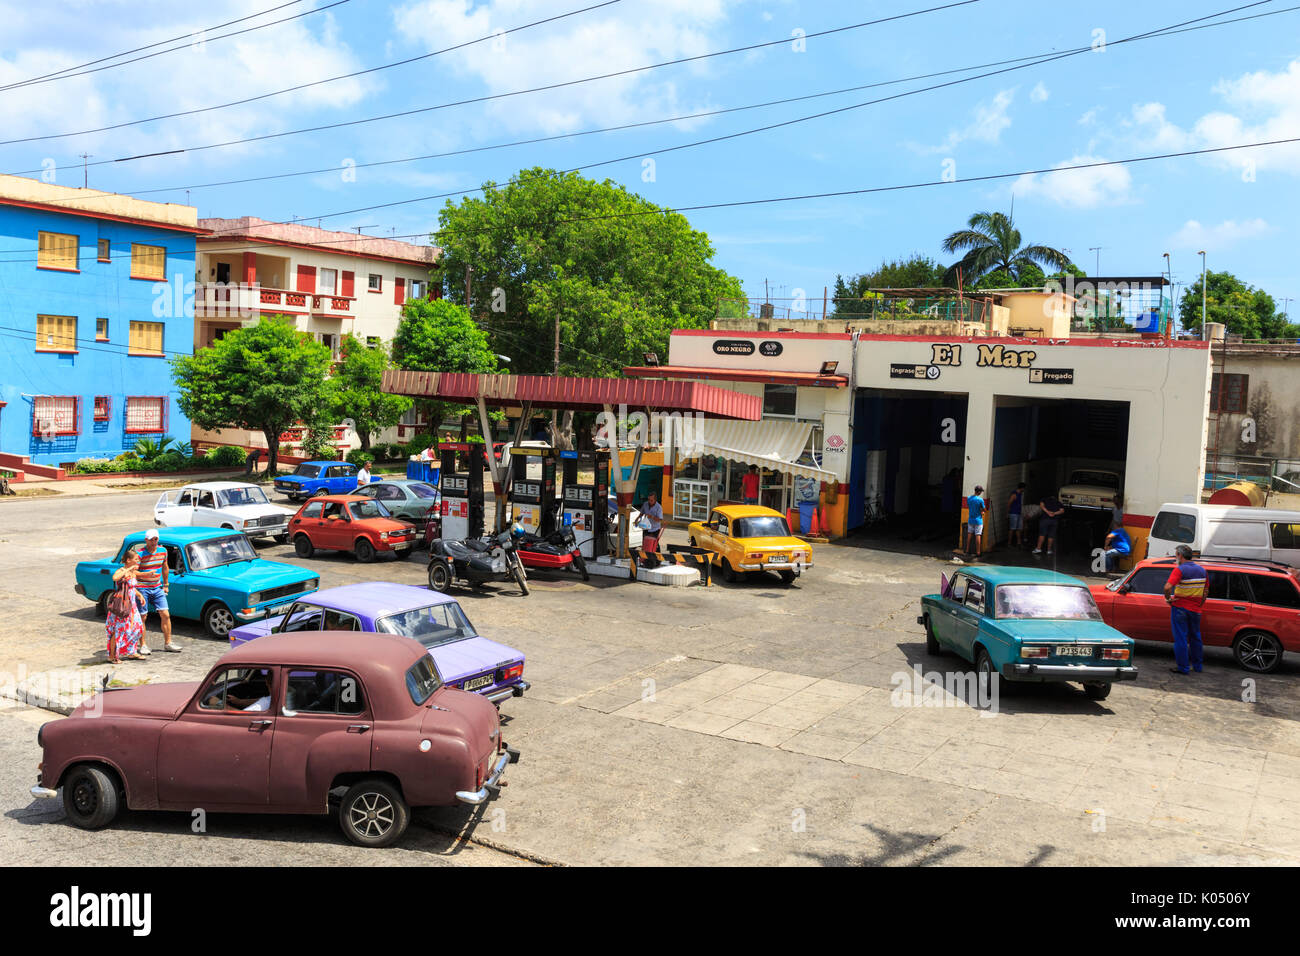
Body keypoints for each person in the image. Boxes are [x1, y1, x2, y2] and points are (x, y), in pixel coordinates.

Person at [1164, 545, 1207, 674]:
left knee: (1181, 638)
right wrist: (1200, 604)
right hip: (1196, 610)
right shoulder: (1202, 570)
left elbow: (1167, 587)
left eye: (1176, 554)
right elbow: (1205, 591)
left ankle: (1183, 667)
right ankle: (1198, 666)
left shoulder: (1180, 570)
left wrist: (1168, 599)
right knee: (1196, 637)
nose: (1176, 557)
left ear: (1180, 556)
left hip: (1180, 608)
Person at [136, 529, 181, 653]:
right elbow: (133, 571)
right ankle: (143, 645)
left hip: (157, 587)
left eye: (155, 539)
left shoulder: (163, 551)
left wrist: (166, 584)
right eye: (151, 539)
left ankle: (168, 643)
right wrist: (145, 575)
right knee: (143, 616)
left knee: (165, 614)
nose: (153, 542)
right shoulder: (139, 554)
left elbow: (165, 567)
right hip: (142, 588)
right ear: (146, 540)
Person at [105, 547, 147, 663]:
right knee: (119, 630)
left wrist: (139, 595)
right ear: (128, 560)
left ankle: (131, 652)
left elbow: (131, 588)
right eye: (136, 559)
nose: (138, 561)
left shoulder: (133, 573)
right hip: (123, 605)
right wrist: (127, 570)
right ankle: (112, 656)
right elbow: (115, 578)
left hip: (132, 606)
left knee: (137, 628)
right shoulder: (122, 570)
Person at [1034, 492, 1065, 556]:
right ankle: (1049, 550)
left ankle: (1038, 549)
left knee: (1042, 534)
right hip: (1054, 521)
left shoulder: (1044, 499)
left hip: (1044, 520)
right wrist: (1054, 513)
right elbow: (1062, 511)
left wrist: (1048, 512)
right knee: (1051, 536)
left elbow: (1041, 505)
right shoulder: (1059, 502)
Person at [639, 490, 664, 563]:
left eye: (651, 500)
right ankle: (644, 559)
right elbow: (641, 512)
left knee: (654, 544)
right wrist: (637, 519)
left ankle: (658, 560)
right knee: (645, 543)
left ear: (655, 500)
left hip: (655, 528)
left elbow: (659, 519)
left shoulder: (659, 507)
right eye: (649, 500)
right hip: (646, 527)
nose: (650, 501)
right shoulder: (645, 504)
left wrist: (652, 517)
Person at [965, 485, 986, 558]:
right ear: (979, 492)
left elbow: (969, 506)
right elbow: (984, 509)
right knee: (978, 535)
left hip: (970, 519)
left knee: (969, 534)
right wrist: (982, 512)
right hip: (978, 520)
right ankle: (978, 552)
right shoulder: (980, 500)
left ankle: (967, 550)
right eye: (981, 491)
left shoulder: (969, 498)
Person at [1007, 482, 1026, 548]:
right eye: (1024, 488)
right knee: (1012, 528)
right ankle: (1009, 543)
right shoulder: (1014, 494)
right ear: (1022, 488)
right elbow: (1009, 503)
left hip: (1018, 513)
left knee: (1019, 528)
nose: (1024, 490)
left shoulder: (1020, 494)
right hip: (1013, 513)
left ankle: (1019, 542)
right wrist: (1008, 512)